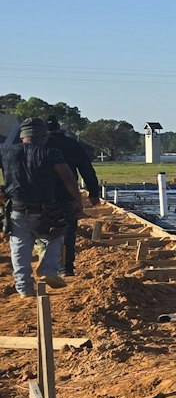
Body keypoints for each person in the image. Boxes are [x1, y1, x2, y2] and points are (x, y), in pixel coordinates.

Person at [1, 118, 88, 296]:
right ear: (43, 136)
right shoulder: (50, 153)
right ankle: (48, 269)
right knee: (56, 236)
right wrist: (78, 201)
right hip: (46, 210)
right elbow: (68, 178)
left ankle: (24, 288)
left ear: (22, 136)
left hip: (16, 209)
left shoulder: (6, 153)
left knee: (19, 248)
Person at [43, 120, 101, 277]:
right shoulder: (72, 144)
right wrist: (94, 193)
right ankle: (66, 267)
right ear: (58, 128)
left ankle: (47, 265)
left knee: (43, 231)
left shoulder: (38, 145)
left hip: (41, 195)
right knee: (68, 232)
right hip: (67, 194)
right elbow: (86, 169)